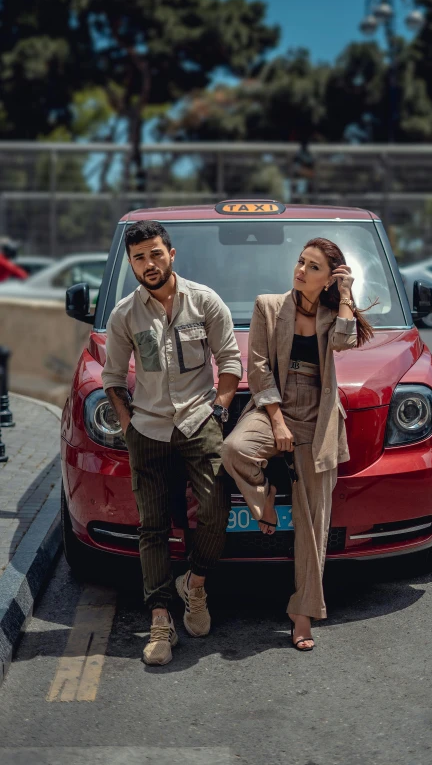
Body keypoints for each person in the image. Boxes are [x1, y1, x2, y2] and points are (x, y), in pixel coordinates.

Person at [221, 237, 374, 652]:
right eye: (300, 262)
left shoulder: (331, 313)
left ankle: (302, 612)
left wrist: (345, 295)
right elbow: (258, 367)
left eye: (313, 267)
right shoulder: (268, 306)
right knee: (234, 449)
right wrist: (276, 420)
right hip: (275, 404)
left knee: (312, 521)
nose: (301, 270)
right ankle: (264, 498)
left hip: (319, 416)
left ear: (328, 278)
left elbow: (344, 341)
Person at [101, 220, 242, 666]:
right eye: (139, 258)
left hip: (200, 421)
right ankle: (161, 619)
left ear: (171, 254)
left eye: (155, 254)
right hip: (149, 428)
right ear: (131, 263)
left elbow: (231, 358)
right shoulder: (124, 314)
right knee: (152, 526)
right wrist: (127, 423)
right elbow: (110, 378)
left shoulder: (204, 301)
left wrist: (220, 405)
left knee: (217, 506)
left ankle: (194, 586)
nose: (149, 264)